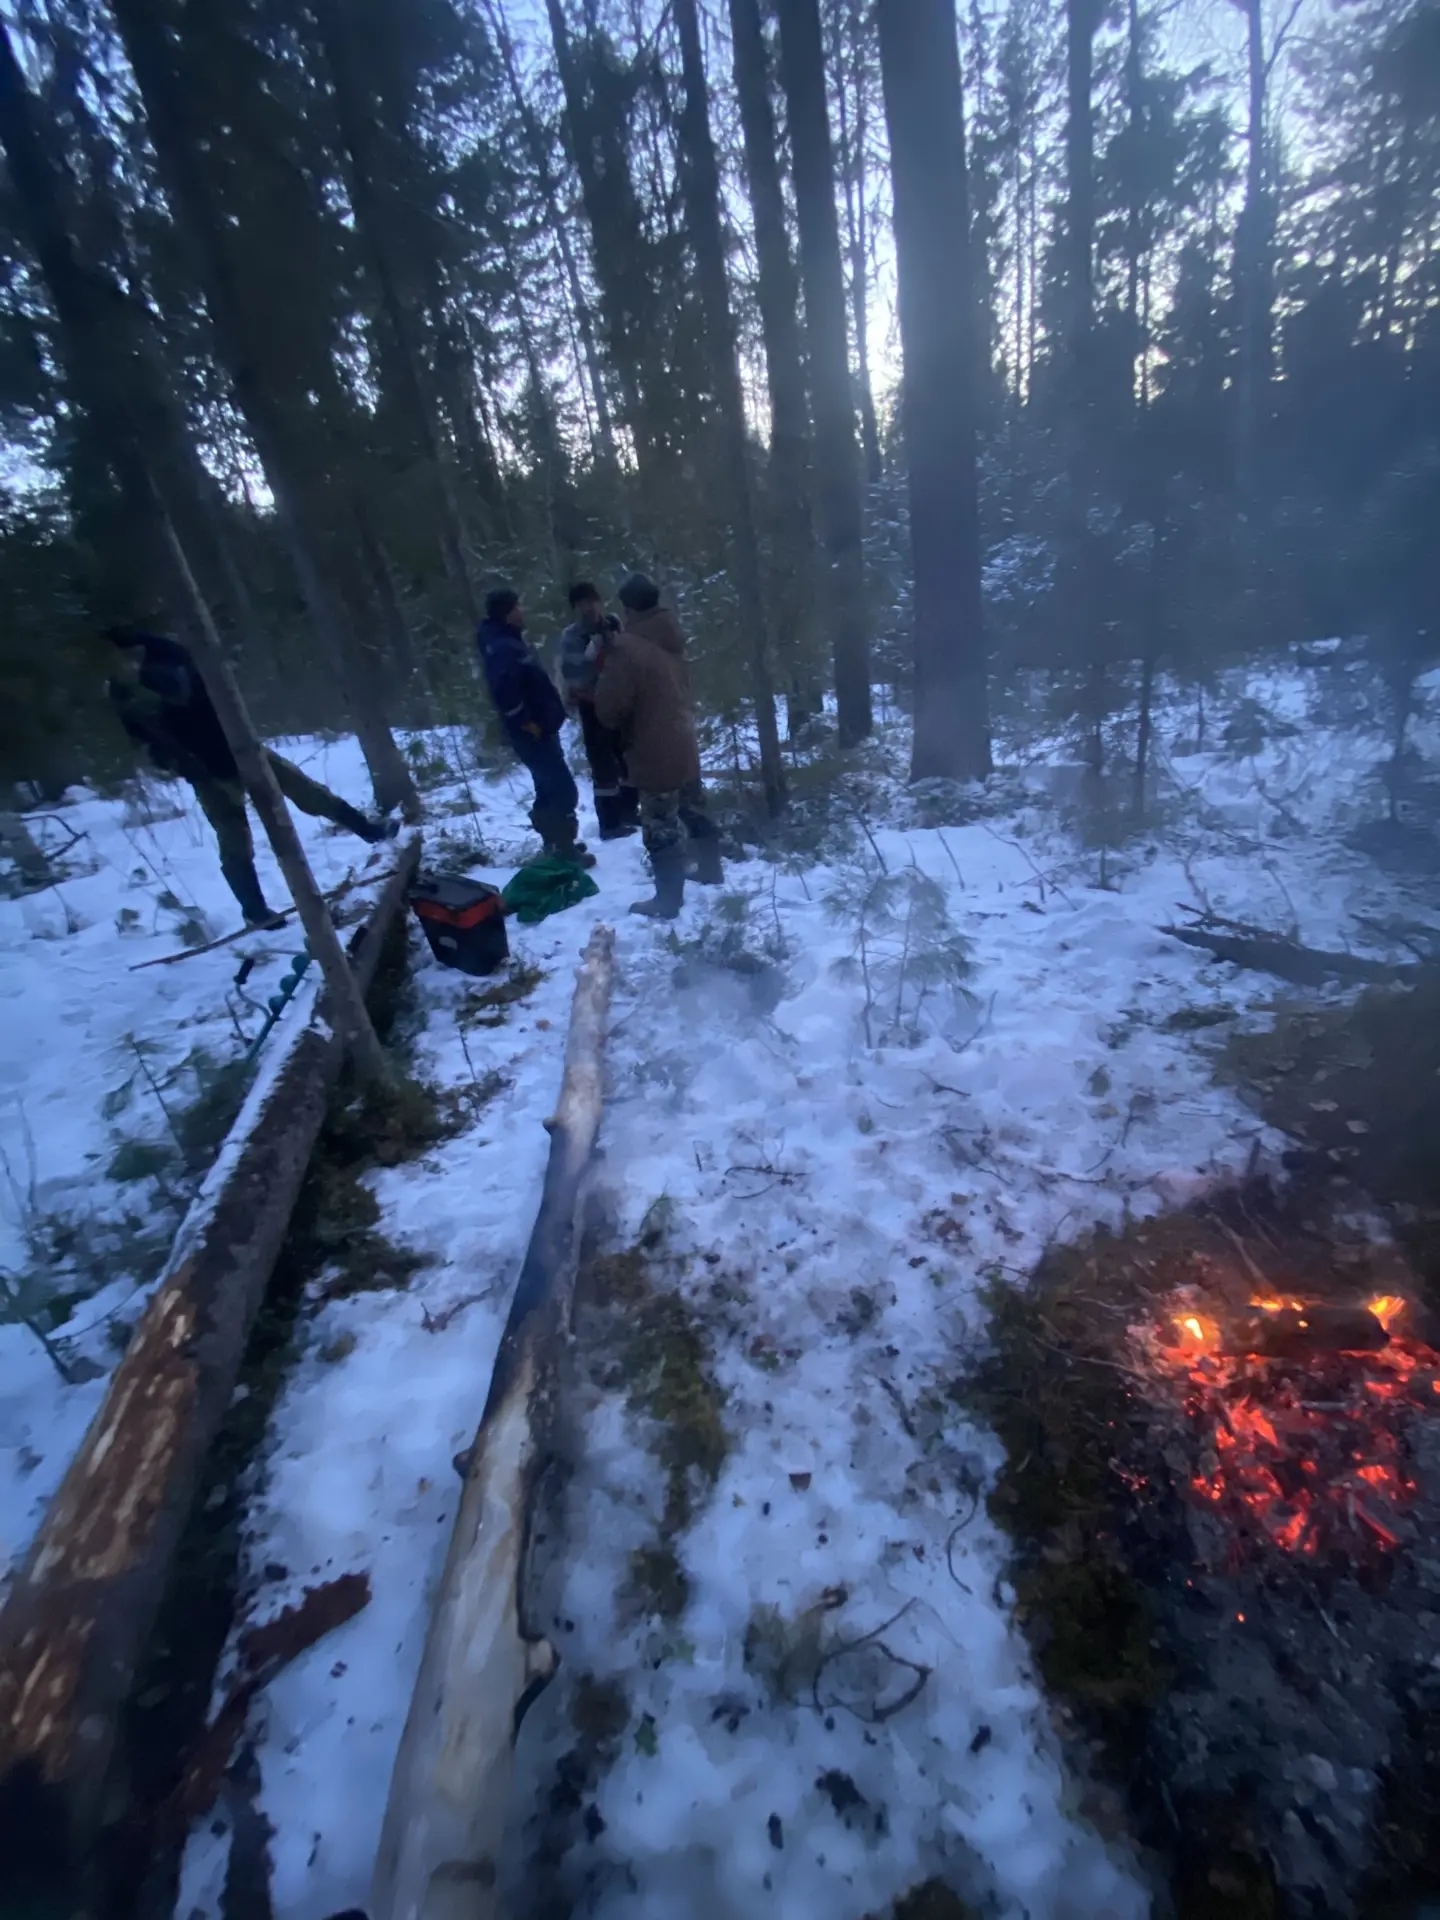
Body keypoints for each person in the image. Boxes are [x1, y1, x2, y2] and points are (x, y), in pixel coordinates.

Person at [106, 625, 387, 927]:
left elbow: (173, 653)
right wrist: (174, 763)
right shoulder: (130, 696)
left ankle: (368, 830)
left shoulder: (174, 660)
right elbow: (145, 741)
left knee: (307, 792)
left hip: (241, 748)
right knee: (234, 840)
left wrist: (139, 637)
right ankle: (254, 910)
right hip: (205, 770)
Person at [593, 573, 723, 918]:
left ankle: (668, 900)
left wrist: (603, 665)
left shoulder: (626, 649)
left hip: (652, 750)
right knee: (694, 808)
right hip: (683, 740)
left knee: (659, 826)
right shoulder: (671, 637)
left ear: (628, 608)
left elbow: (609, 709)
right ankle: (711, 868)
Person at [476, 586, 594, 868]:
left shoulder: (508, 640)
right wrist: (527, 722)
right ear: (507, 613)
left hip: (541, 729)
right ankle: (564, 850)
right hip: (533, 733)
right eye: (518, 606)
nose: (522, 611)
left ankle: (555, 843)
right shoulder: (503, 647)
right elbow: (505, 692)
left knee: (546, 787)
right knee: (562, 789)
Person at [558, 582, 639, 840]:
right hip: (592, 705)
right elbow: (574, 675)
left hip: (619, 702)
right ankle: (609, 823)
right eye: (582, 604)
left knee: (627, 758)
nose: (588, 608)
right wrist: (592, 655)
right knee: (603, 764)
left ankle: (629, 811)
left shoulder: (612, 623)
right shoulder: (571, 637)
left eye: (591, 601)